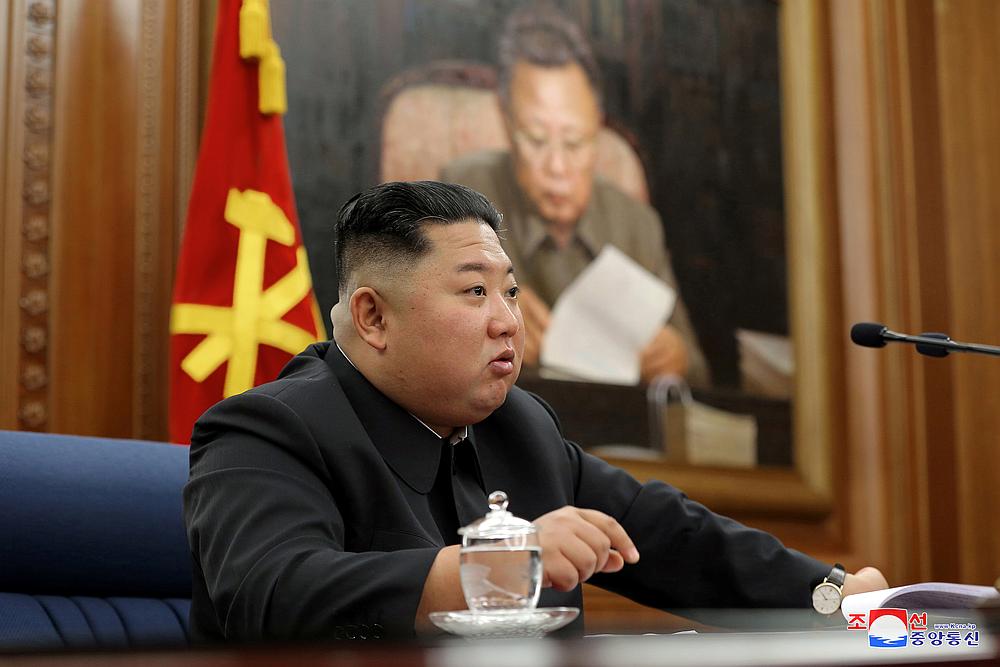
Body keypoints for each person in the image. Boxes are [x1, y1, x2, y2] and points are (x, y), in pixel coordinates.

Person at [184, 181, 885, 642]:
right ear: (372, 316)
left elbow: (667, 535)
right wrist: (493, 570)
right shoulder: (265, 430)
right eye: (474, 293)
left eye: (511, 292)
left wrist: (834, 597)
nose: (508, 322)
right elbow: (271, 596)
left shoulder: (520, 426)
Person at [442, 6, 709, 386]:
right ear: (505, 120)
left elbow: (698, 371)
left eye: (574, 142)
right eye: (535, 140)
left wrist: (675, 358)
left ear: (597, 129)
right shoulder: (462, 195)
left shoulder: (636, 224)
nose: (556, 167)